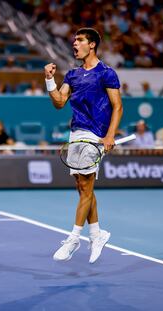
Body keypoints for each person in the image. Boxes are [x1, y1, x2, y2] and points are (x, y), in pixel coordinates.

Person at [44, 28, 123, 264]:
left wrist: (110, 136)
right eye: (74, 41)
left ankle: (74, 237)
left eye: (79, 40)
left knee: (86, 187)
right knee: (82, 187)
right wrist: (49, 80)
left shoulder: (106, 73)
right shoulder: (72, 75)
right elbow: (59, 102)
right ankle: (97, 234)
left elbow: (117, 106)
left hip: (95, 135)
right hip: (75, 134)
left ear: (92, 45)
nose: (74, 44)